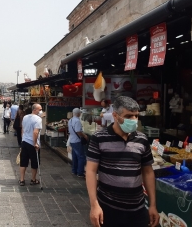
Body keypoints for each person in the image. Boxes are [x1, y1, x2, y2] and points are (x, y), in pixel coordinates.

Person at [86, 96, 159, 227]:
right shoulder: (99, 138)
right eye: (129, 116)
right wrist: (94, 205)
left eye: (136, 116)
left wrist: (152, 205)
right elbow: (90, 171)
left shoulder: (142, 139)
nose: (134, 120)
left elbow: (148, 172)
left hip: (137, 209)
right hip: (108, 208)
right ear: (115, 115)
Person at [19, 104, 43, 186]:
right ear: (35, 109)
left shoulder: (25, 117)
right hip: (32, 143)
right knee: (34, 162)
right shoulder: (38, 119)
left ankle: (22, 180)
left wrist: (23, 139)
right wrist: (35, 143)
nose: (41, 111)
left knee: (23, 161)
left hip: (25, 142)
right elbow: (35, 132)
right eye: (40, 109)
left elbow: (23, 128)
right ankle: (33, 179)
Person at [68, 108, 88, 178]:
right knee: (81, 157)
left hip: (72, 140)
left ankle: (74, 170)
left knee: (75, 157)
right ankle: (80, 172)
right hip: (77, 141)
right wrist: (84, 135)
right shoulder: (77, 121)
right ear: (79, 113)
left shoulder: (70, 120)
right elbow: (78, 131)